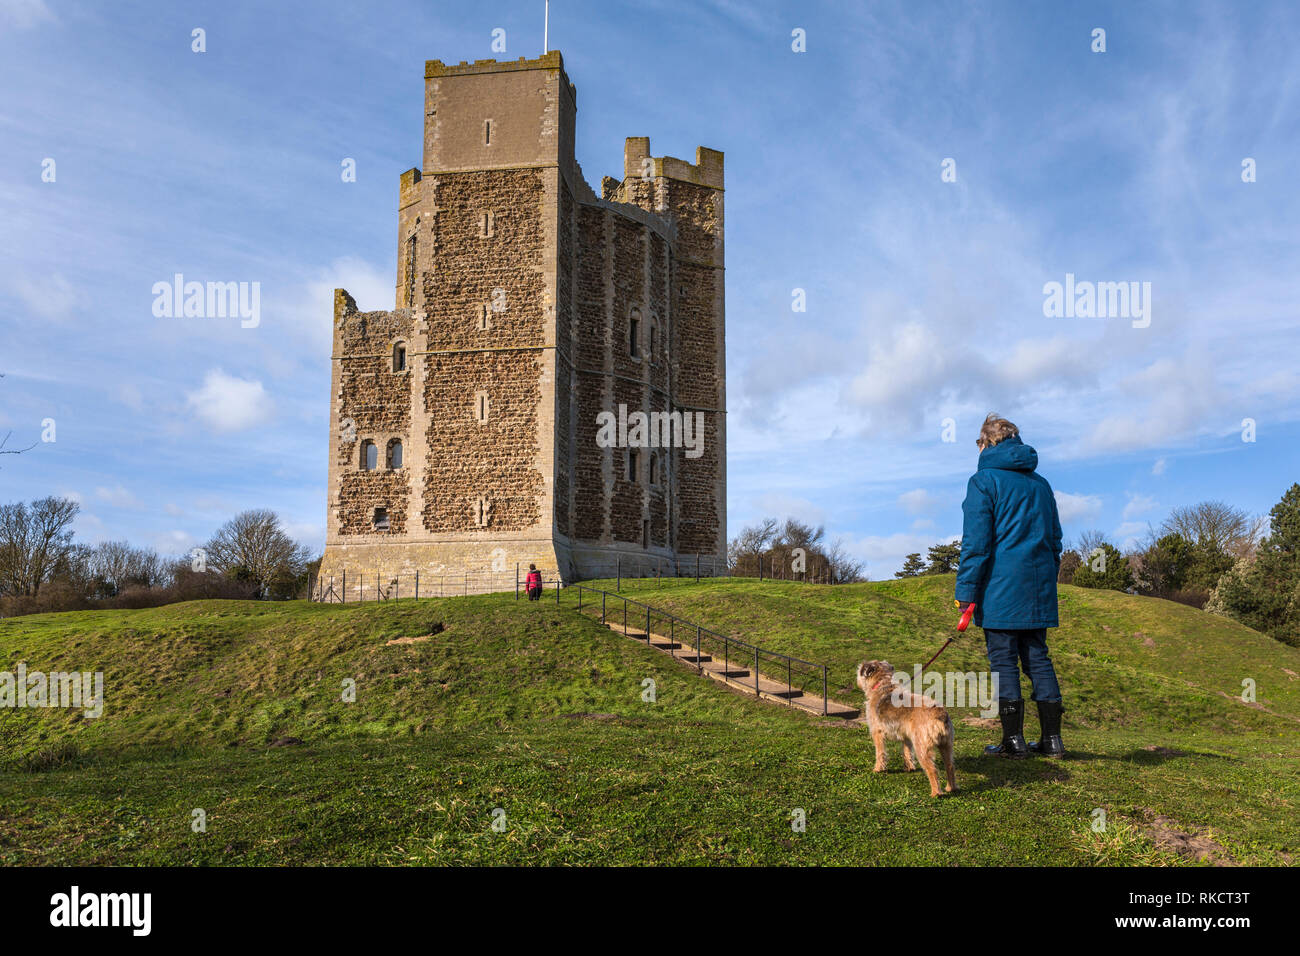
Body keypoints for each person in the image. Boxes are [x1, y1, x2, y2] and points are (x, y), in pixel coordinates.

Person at [954, 414, 1066, 759]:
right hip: (1037, 589)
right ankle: (1052, 741)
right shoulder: (1041, 484)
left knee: (1004, 663)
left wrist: (966, 592)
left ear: (986, 443)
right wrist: (1046, 580)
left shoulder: (983, 481)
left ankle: (1013, 742)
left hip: (1000, 590)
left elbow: (976, 543)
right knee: (1039, 660)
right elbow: (1055, 541)